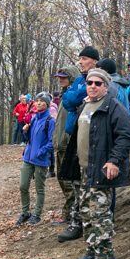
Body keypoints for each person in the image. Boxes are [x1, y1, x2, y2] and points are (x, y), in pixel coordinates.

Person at [59, 68, 130, 259]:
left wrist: (114, 161)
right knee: (85, 211)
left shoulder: (113, 106)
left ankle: (105, 255)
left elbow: (126, 136)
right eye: (90, 82)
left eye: (97, 83)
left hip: (101, 169)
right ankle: (92, 249)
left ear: (106, 87)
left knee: (99, 213)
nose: (92, 86)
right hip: (83, 169)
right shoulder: (85, 105)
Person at [57, 45, 100, 242]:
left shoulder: (96, 80)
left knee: (89, 186)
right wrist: (72, 97)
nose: (80, 62)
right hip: (74, 137)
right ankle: (77, 221)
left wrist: (74, 98)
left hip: (90, 140)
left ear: (94, 61)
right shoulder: (79, 81)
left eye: (84, 58)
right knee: (73, 181)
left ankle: (90, 225)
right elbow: (69, 99)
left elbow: (76, 99)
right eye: (80, 58)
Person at [15, 92, 56, 226]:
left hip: (41, 160)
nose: (38, 103)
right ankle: (25, 212)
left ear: (47, 104)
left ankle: (37, 214)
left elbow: (51, 142)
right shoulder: (33, 119)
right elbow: (29, 140)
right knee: (23, 186)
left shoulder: (50, 121)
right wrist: (25, 131)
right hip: (28, 158)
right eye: (37, 101)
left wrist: (40, 152)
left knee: (39, 188)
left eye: (41, 101)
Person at [51, 67, 80, 226]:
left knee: (68, 182)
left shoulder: (73, 96)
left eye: (64, 77)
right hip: (60, 143)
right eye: (59, 77)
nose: (60, 79)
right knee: (62, 179)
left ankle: (69, 214)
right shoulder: (64, 96)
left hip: (68, 144)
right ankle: (69, 212)